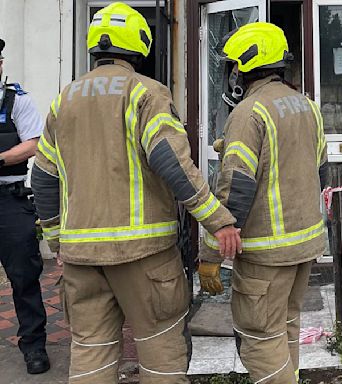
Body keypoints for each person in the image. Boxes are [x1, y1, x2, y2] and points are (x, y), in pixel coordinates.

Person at [31, 3, 240, 383]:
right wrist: (218, 220)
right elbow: (172, 163)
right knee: (162, 354)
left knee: (90, 356)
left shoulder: (65, 100)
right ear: (140, 46)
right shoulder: (146, 93)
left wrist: (58, 240)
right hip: (144, 257)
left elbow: (43, 177)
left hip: (81, 260)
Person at [198, 22, 328, 384]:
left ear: (243, 68)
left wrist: (211, 253)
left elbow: (235, 190)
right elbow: (320, 171)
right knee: (286, 330)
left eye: (231, 66)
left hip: (265, 256)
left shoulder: (248, 114)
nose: (229, 74)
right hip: (304, 248)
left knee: (259, 340)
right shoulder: (307, 106)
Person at [0, 38, 50, 374]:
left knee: (24, 277)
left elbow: (33, 144)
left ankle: (33, 346)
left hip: (9, 200)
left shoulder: (17, 100)